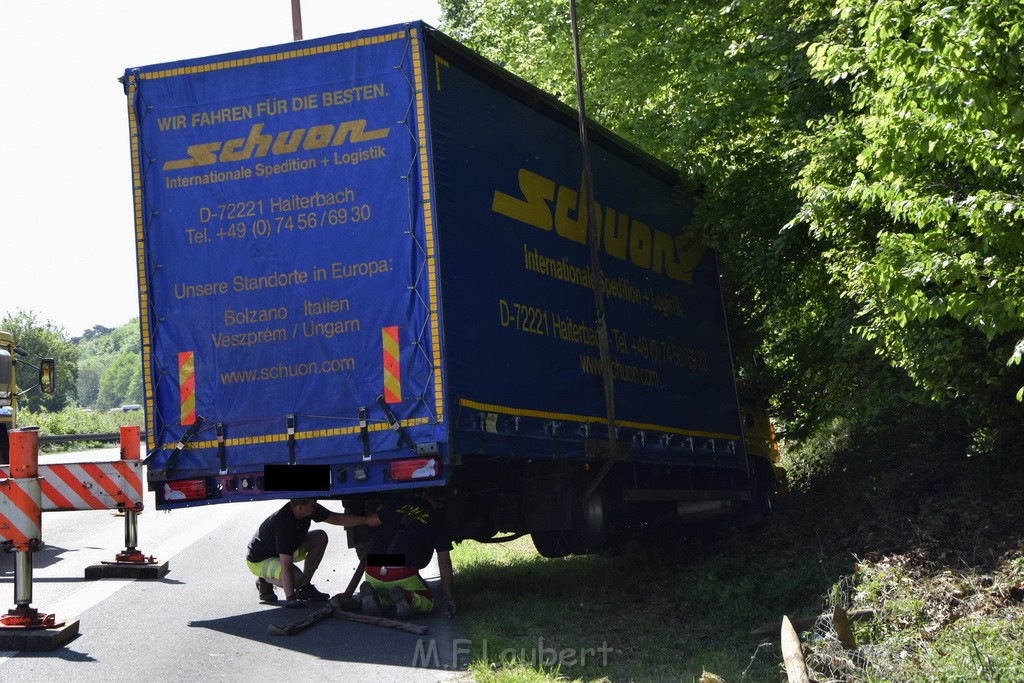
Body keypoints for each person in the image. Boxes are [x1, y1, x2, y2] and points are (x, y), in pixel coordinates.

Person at [246, 498, 369, 607]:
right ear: (300, 508)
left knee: (320, 537)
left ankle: (304, 589)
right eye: (313, 505)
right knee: (296, 578)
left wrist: (366, 520)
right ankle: (264, 580)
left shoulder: (309, 507)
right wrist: (291, 599)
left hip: (282, 549)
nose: (315, 506)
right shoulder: (284, 523)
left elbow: (336, 518)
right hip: (260, 559)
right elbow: (285, 565)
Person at [358, 488, 455, 619]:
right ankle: (408, 597)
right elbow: (444, 563)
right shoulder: (438, 520)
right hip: (401, 571)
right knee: (428, 603)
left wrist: (327, 516)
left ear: (424, 493)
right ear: (443, 501)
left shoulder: (398, 506)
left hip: (372, 568)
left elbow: (369, 521)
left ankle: (379, 599)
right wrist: (448, 598)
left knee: (386, 593)